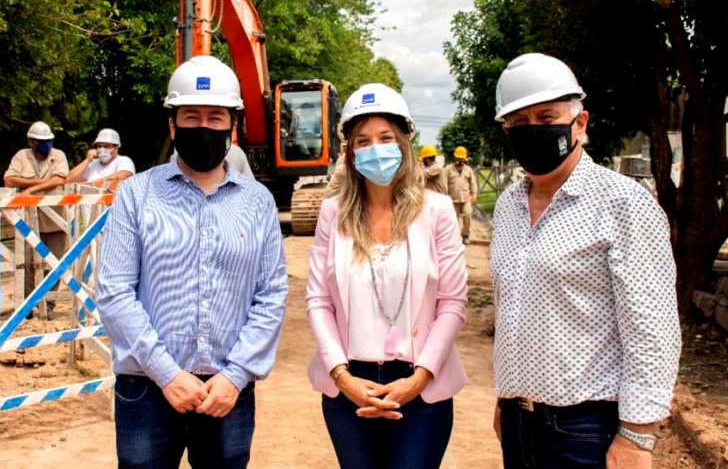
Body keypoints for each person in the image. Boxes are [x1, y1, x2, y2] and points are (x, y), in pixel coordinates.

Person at [489, 53, 681, 468]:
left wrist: (636, 437)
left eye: (546, 117)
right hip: (517, 420)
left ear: (580, 122)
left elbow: (653, 331)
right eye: (518, 123)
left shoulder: (624, 205)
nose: (532, 131)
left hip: (586, 430)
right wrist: (507, 399)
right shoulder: (507, 206)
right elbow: (513, 313)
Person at [97, 55, 288, 468]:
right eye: (191, 116)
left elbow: (271, 296)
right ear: (172, 124)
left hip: (227, 393)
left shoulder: (257, 204)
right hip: (147, 387)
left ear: (232, 127)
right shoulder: (136, 195)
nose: (203, 127)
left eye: (216, 117)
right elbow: (114, 293)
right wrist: (167, 374)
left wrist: (236, 376)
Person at [306, 83, 468, 469]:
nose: (375, 148)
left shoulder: (437, 211)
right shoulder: (333, 213)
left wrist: (419, 378)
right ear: (349, 151)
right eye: (363, 140)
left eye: (385, 138)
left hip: (421, 386)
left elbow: (452, 301)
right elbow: (318, 300)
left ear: (405, 143)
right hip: (349, 386)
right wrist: (342, 378)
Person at [4, 120, 70, 318]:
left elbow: (59, 179)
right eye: (41, 141)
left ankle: (48, 305)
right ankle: (27, 307)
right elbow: (9, 179)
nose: (46, 144)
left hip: (55, 219)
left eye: (48, 140)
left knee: (54, 264)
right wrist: (41, 182)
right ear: (32, 142)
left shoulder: (58, 156)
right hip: (29, 221)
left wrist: (31, 189)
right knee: (27, 263)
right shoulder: (21, 157)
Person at [65, 128, 136, 187]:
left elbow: (122, 176)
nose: (102, 149)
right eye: (99, 146)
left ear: (116, 148)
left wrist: (94, 184)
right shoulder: (92, 164)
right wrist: (87, 160)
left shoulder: (124, 161)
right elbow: (69, 181)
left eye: (106, 146)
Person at [444, 146, 477, 245]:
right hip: (452, 199)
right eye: (458, 158)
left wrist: (474, 193)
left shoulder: (468, 170)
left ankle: (465, 235)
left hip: (465, 199)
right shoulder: (448, 169)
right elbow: (443, 183)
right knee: (452, 220)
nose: (459, 160)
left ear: (465, 158)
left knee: (467, 214)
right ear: (454, 158)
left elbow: (473, 182)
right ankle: (452, 238)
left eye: (461, 158)